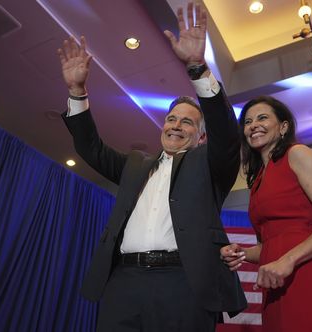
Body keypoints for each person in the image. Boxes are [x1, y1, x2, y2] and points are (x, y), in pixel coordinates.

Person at [58, 3, 246, 331]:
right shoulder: (135, 165)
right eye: (171, 118)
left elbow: (227, 135)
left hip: (183, 283)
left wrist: (197, 67)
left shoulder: (210, 165)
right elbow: (90, 148)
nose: (175, 125)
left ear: (201, 138)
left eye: (188, 123)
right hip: (123, 282)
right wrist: (77, 91)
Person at [221, 96, 312, 331]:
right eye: (248, 121)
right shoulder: (257, 179)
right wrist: (241, 253)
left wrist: (288, 261)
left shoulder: (298, 154)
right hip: (274, 283)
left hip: (307, 274)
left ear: (283, 126)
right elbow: (269, 245)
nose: (253, 125)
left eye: (263, 117)